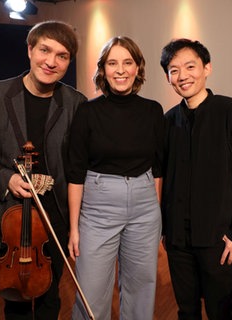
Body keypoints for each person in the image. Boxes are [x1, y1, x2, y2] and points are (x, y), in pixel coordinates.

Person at [0, 20, 87, 319]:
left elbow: (82, 164)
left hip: (55, 216)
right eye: (45, 50)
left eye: (62, 56)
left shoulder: (75, 103)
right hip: (9, 219)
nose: (51, 62)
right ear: (30, 49)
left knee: (50, 297)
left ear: (69, 61)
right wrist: (7, 178)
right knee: (15, 300)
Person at [159, 38, 232, 320]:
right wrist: (166, 229)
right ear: (168, 77)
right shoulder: (168, 121)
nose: (183, 76)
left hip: (220, 238)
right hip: (178, 239)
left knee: (221, 311)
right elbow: (165, 178)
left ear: (207, 68)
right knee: (187, 310)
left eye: (190, 66)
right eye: (174, 70)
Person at [66, 36, 164, 320]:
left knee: (141, 287)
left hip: (145, 207)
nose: (120, 70)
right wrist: (74, 228)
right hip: (98, 209)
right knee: (91, 291)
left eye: (127, 62)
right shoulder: (87, 112)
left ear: (137, 68)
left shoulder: (153, 111)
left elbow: (158, 169)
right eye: (112, 63)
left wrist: (155, 214)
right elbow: (75, 172)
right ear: (103, 70)